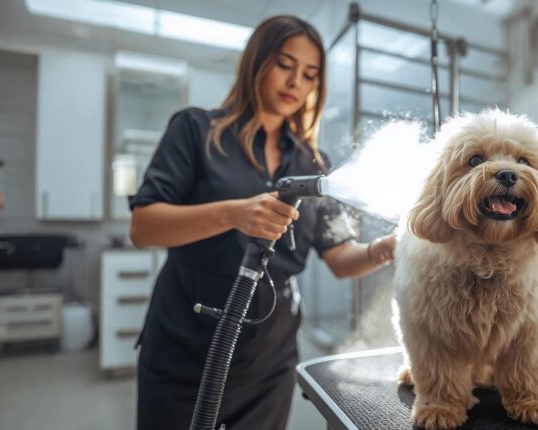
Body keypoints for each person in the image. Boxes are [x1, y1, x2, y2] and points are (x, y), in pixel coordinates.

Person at [129, 15, 396, 430]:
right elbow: (144, 227)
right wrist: (234, 213)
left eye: (309, 75)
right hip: (186, 348)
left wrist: (386, 248)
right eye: (285, 65)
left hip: (269, 360)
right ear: (257, 62)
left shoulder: (313, 162)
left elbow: (342, 259)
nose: (296, 83)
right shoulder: (195, 130)